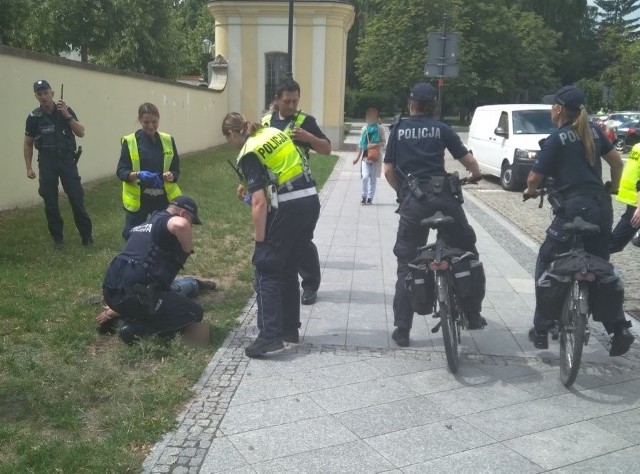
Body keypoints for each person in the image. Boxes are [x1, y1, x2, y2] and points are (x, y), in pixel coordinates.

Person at [524, 85, 634, 356]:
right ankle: (618, 330)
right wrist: (612, 187)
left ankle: (541, 328)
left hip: (571, 208)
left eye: (553, 106)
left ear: (560, 109)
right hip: (600, 208)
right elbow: (617, 163)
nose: (551, 109)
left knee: (547, 259)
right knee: (600, 268)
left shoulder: (556, 138)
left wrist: (530, 191)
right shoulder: (595, 132)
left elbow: (534, 179)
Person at [384, 83, 487, 347]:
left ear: (411, 104)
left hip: (414, 202)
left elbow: (388, 171)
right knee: (467, 252)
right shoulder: (442, 128)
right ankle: (473, 314)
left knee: (406, 263)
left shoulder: (398, 130)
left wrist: (403, 193)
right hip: (444, 199)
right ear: (433, 105)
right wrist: (474, 176)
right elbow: (469, 163)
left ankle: (402, 329)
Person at [224, 112, 320, 357]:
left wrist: (260, 244)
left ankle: (269, 336)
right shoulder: (272, 133)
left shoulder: (248, 151)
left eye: (229, 139)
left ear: (232, 134)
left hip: (291, 206)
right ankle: (289, 329)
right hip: (309, 199)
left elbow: (259, 204)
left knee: (266, 265)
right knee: (287, 265)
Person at [102, 196, 208, 345]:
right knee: (194, 312)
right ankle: (134, 330)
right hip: (138, 296)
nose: (191, 226)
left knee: (181, 288)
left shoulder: (147, 223)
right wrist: (185, 251)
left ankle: (124, 315)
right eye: (192, 221)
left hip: (112, 291)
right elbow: (182, 225)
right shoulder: (170, 221)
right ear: (183, 214)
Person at [261, 78, 331, 306]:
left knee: (301, 241)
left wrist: (309, 138)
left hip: (300, 194)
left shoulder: (304, 122)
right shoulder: (266, 122)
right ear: (277, 99)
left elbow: (327, 149)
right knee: (277, 239)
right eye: (287, 101)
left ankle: (310, 284)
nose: (291, 106)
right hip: (273, 193)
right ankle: (276, 279)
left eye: (295, 101)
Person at [24, 79, 93, 247]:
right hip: (47, 162)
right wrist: (29, 168)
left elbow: (81, 132)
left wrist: (67, 116)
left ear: (52, 93)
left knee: (76, 198)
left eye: (46, 93)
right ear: (36, 97)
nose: (44, 97)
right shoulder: (34, 117)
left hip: (67, 161)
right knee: (50, 201)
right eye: (39, 94)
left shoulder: (65, 110)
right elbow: (28, 143)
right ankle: (58, 238)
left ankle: (87, 236)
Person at [117, 103, 182, 240]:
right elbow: (121, 171)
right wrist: (138, 175)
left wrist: (172, 175)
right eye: (146, 122)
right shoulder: (130, 142)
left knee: (164, 234)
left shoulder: (168, 140)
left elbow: (175, 168)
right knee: (132, 235)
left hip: (162, 198)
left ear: (159, 120)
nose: (151, 126)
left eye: (154, 122)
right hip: (140, 199)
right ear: (139, 120)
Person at [610, 143, 640, 253]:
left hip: (633, 197)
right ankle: (592, 258)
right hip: (636, 200)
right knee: (615, 243)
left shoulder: (637, 146)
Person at [353, 107, 386, 204]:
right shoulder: (364, 129)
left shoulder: (380, 129)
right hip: (365, 157)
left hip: (376, 157)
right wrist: (357, 158)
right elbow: (361, 145)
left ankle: (370, 198)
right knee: (365, 177)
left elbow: (384, 142)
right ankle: (364, 196)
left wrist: (374, 145)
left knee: (373, 178)